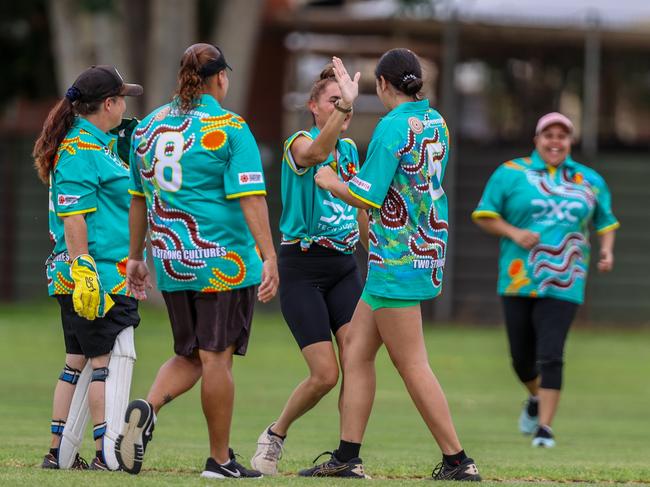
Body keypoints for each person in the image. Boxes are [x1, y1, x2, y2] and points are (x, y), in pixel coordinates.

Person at [302, 48, 481, 481]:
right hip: (422, 249)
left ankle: (458, 461)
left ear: (382, 85)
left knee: (411, 363)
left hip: (396, 258)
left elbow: (367, 195)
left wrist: (330, 180)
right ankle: (347, 457)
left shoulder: (390, 128)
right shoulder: (435, 121)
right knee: (357, 353)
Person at [116, 43, 279, 479]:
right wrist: (269, 256)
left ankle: (145, 408)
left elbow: (136, 200)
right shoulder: (230, 128)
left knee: (190, 354)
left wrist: (135, 257)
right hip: (221, 262)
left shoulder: (147, 127)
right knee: (216, 359)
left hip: (170, 260)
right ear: (221, 77)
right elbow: (251, 198)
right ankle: (220, 460)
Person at [472, 112, 619, 448]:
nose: (555, 141)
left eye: (562, 136)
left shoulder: (589, 180)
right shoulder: (511, 173)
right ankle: (536, 397)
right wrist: (514, 232)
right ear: (537, 139)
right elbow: (484, 214)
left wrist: (607, 251)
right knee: (521, 357)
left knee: (551, 352)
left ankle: (545, 429)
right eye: (549, 135)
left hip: (567, 279)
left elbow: (606, 221)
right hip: (518, 277)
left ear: (570, 142)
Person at [250, 59, 367, 476]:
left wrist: (375, 248)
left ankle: (347, 458)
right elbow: (316, 153)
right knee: (324, 375)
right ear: (314, 107)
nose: (342, 107)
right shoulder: (299, 142)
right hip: (303, 266)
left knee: (357, 360)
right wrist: (347, 108)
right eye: (334, 101)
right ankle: (276, 434)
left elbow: (360, 207)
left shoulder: (351, 151)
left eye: (346, 100)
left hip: (344, 266)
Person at [32, 65, 143, 470]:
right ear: (109, 103)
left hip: (95, 272)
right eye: (122, 98)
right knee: (106, 362)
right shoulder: (80, 149)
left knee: (76, 361)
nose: (125, 106)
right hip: (96, 275)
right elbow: (74, 216)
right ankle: (107, 455)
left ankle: (58, 454)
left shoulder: (97, 144)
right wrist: (84, 270)